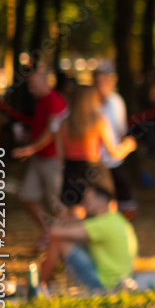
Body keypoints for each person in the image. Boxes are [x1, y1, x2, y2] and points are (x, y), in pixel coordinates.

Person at [39, 180, 138, 293]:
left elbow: (54, 233)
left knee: (59, 242)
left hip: (105, 284)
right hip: (119, 279)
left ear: (101, 201)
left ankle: (40, 286)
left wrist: (67, 216)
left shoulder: (102, 224)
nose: (84, 205)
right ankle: (44, 284)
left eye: (87, 200)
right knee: (66, 240)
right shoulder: (115, 219)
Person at [53, 85, 137, 216]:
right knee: (106, 210)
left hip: (72, 171)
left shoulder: (64, 123)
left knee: (75, 213)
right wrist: (129, 145)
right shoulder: (99, 121)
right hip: (94, 169)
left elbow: (60, 157)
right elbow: (114, 153)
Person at [8, 67, 68, 249]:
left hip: (53, 159)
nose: (30, 89)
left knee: (57, 205)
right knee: (28, 196)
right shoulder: (41, 102)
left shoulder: (55, 101)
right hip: (39, 158)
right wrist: (30, 138)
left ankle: (62, 242)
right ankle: (48, 233)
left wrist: (31, 148)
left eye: (33, 84)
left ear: (45, 81)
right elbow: (43, 129)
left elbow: (52, 131)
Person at [93, 66, 136, 219]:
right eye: (98, 82)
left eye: (104, 81)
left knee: (121, 195)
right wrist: (127, 146)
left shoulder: (116, 102)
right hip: (98, 161)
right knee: (105, 199)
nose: (101, 85)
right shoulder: (92, 108)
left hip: (114, 160)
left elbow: (120, 131)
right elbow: (114, 148)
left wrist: (123, 147)